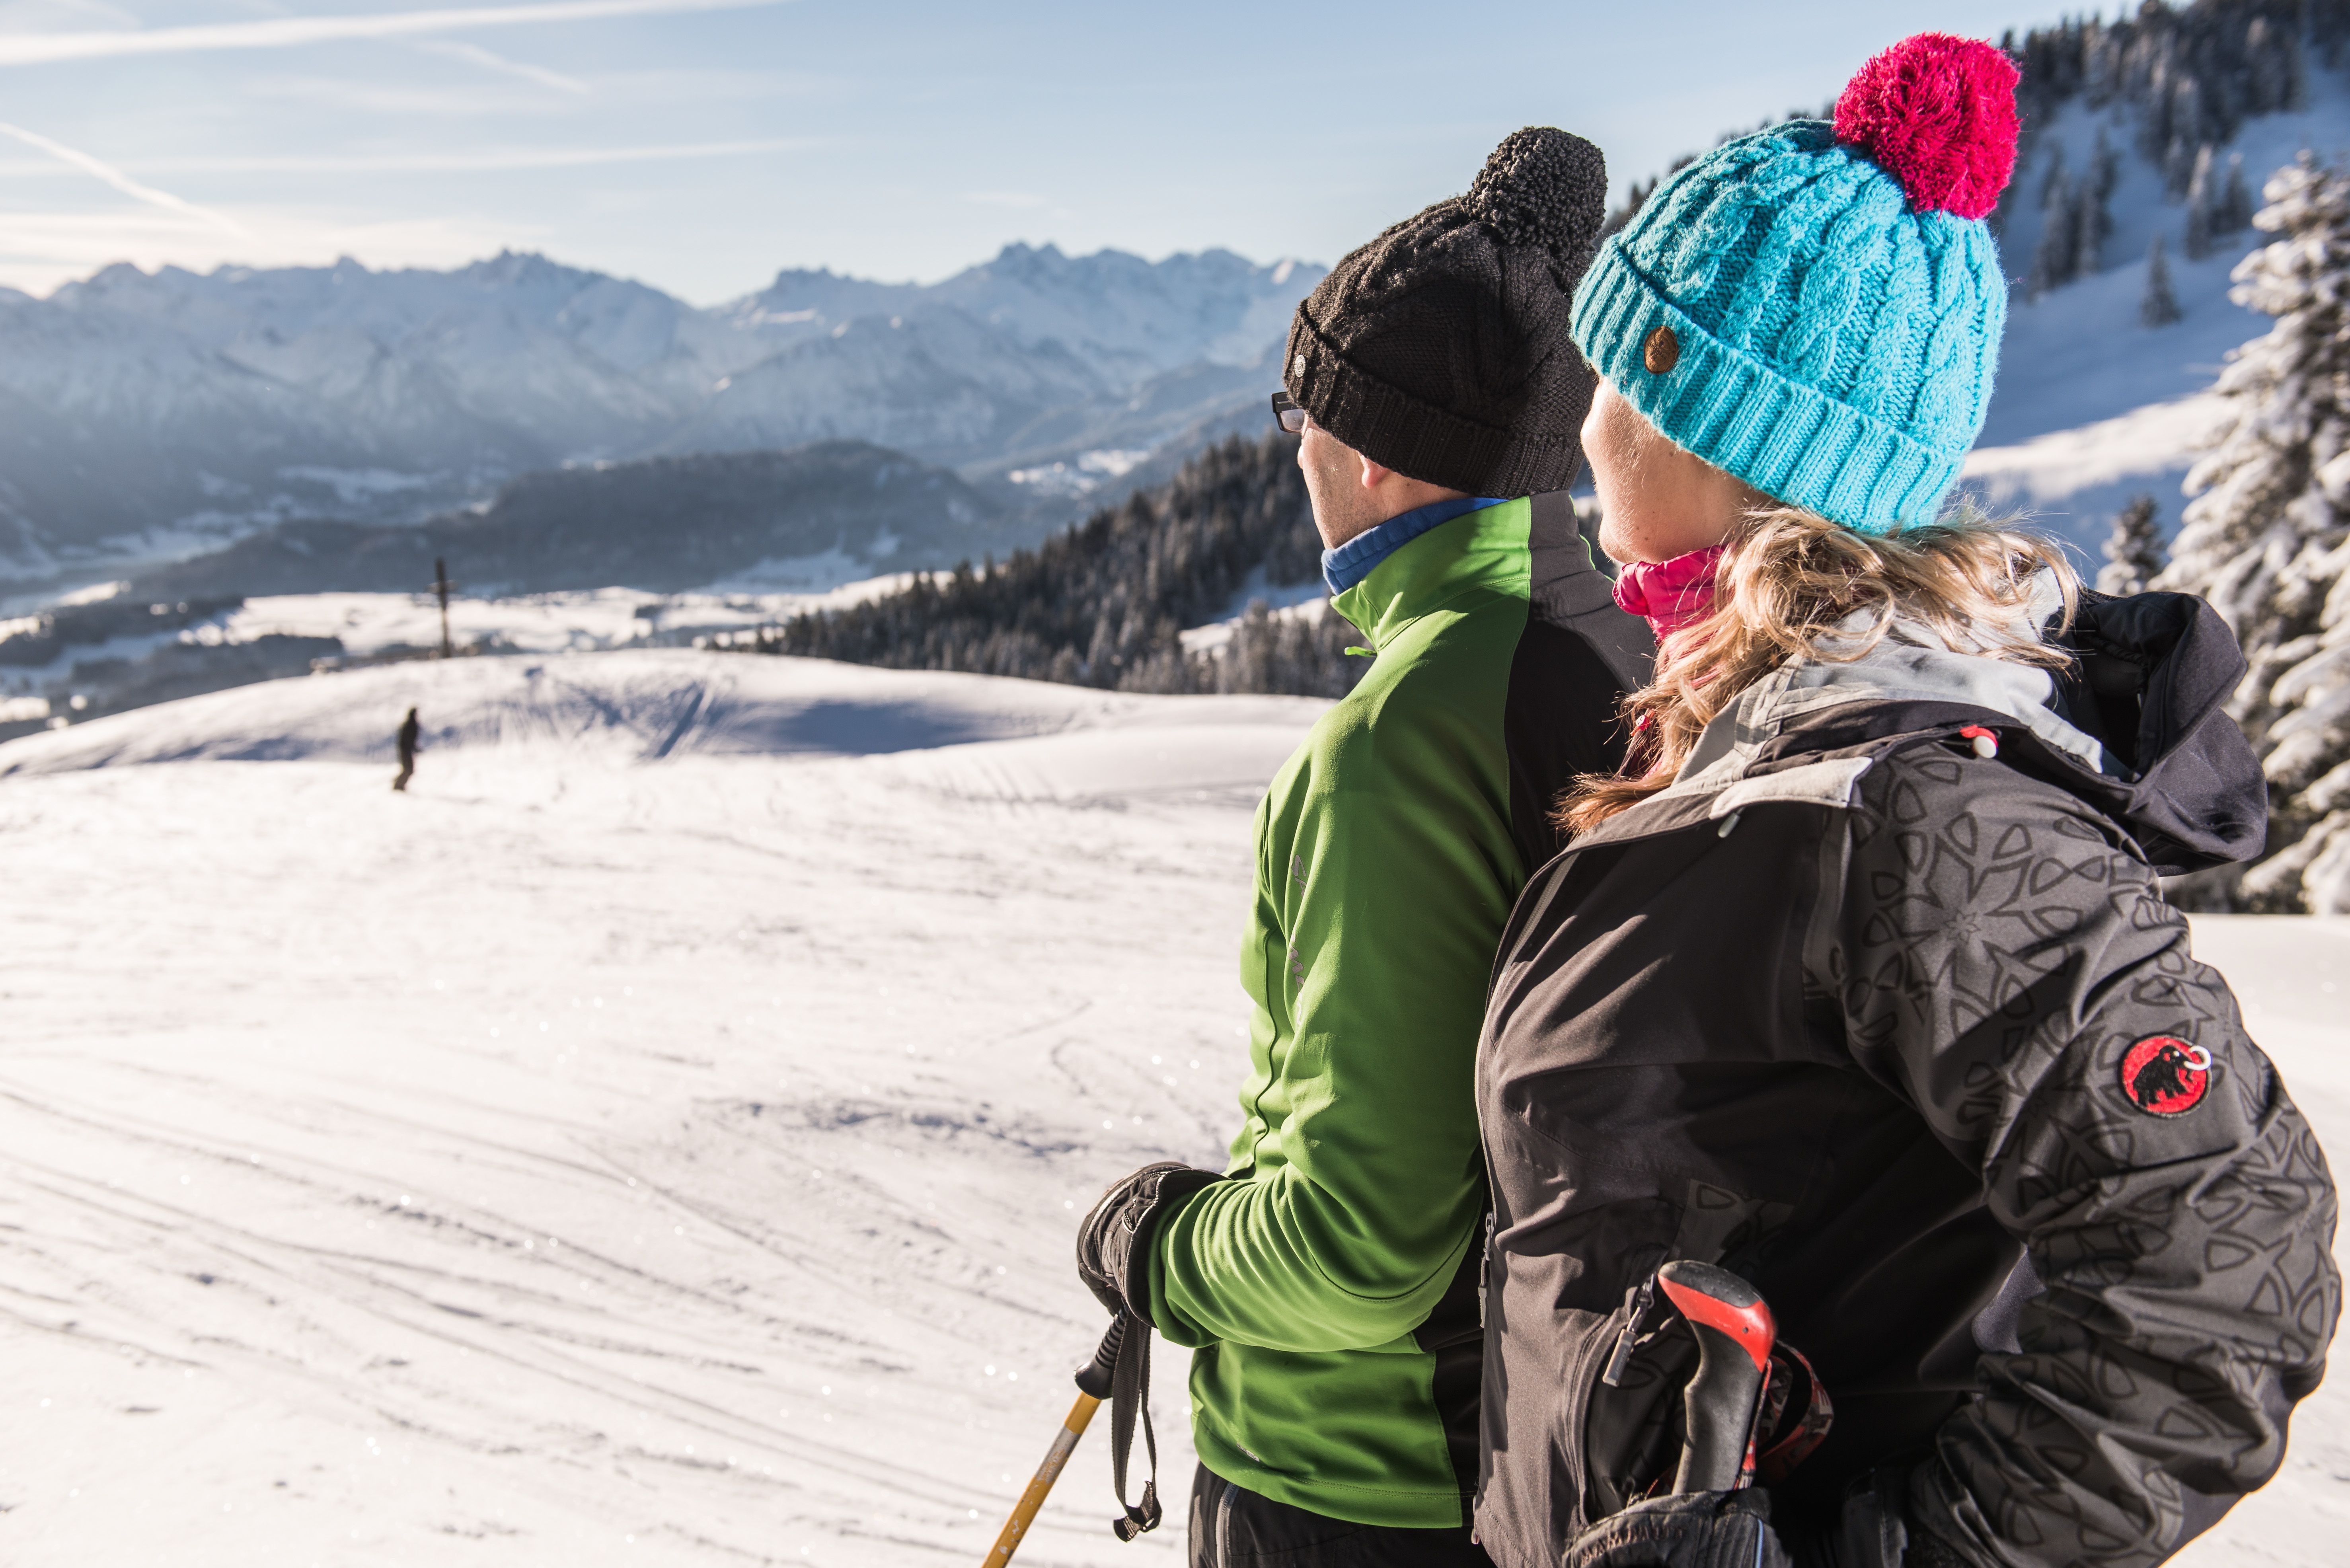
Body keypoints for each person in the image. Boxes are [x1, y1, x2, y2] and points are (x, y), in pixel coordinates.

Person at [1472, 35, 2340, 1568]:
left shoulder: (1912, 815)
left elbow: (2227, 1257)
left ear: (1688, 413)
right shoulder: (1750, 748)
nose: (1584, 412)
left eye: (1615, 364)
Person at [1074, 127, 1652, 1565]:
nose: (1292, 450)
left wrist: (1156, 1250)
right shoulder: (1618, 650)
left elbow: (1352, 1252)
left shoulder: (1401, 743)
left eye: (1297, 412)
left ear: (1375, 456)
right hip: (1545, 1460)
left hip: (1355, 1481)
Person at [393, 706, 419, 792]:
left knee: (409, 770)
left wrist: (414, 747)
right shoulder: (409, 725)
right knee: (408, 769)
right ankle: (398, 785)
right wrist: (412, 747)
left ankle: (399, 784)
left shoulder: (411, 724)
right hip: (405, 750)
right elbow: (406, 739)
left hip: (406, 750)